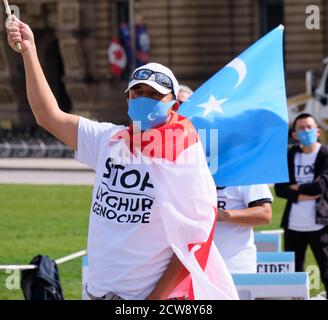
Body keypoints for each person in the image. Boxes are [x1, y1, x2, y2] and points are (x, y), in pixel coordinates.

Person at [6, 17, 238, 300]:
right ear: (127, 98)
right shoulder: (109, 139)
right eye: (137, 92)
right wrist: (29, 50)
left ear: (174, 105)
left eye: (155, 95)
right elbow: (48, 115)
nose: (144, 98)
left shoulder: (184, 156)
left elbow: (194, 240)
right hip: (98, 292)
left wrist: (153, 301)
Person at [177, 86, 273, 273]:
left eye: (187, 106)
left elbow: (264, 214)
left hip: (233, 268)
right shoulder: (174, 164)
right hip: (188, 269)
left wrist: (222, 215)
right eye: (178, 107)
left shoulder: (241, 164)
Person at [275, 113, 328, 297]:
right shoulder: (290, 156)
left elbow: (320, 188)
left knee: (326, 269)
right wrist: (305, 192)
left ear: (318, 131)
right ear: (295, 134)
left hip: (320, 224)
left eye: (309, 127)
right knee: (294, 273)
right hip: (293, 225)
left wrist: (296, 188)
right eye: (301, 128)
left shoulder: (325, 154)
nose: (306, 131)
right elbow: (280, 189)